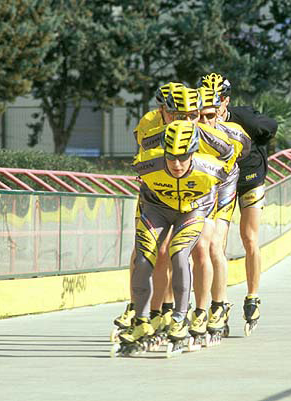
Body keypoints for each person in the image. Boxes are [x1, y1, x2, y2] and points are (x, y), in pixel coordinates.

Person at [118, 120, 230, 351]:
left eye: (183, 156)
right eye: (171, 157)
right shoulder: (146, 164)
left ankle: (180, 318)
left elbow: (226, 177)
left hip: (193, 209)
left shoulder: (211, 169)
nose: (177, 164)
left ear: (193, 152)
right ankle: (141, 321)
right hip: (157, 209)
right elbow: (143, 192)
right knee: (143, 257)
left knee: (179, 254)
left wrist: (208, 218)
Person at [198, 73, 277, 335]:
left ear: (227, 101)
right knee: (214, 245)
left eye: (218, 101)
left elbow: (270, 127)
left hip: (249, 180)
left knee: (249, 238)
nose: (213, 107)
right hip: (222, 184)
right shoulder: (200, 120)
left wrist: (259, 147)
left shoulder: (243, 118)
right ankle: (218, 303)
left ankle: (252, 295)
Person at [112, 82, 183, 342]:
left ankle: (166, 307)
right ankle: (135, 306)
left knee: (174, 251)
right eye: (170, 111)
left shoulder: (189, 123)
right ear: (161, 108)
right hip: (155, 192)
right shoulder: (149, 122)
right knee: (146, 250)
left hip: (184, 194)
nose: (176, 118)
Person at [192, 87, 251, 337]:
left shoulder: (233, 135)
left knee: (214, 245)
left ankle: (219, 305)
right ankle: (181, 309)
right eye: (199, 116)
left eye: (210, 116)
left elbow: (245, 153)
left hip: (222, 190)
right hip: (197, 190)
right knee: (191, 248)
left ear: (219, 114)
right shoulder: (186, 134)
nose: (204, 122)